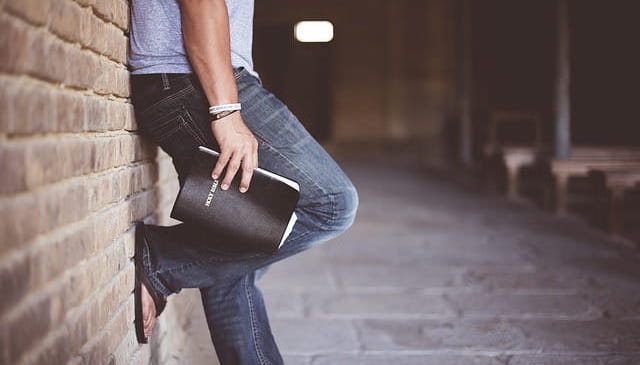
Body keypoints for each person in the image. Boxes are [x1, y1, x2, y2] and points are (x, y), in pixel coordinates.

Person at [128, 0, 359, 363]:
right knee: (331, 203)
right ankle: (163, 257)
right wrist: (226, 110)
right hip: (192, 84)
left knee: (231, 264)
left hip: (184, 81)